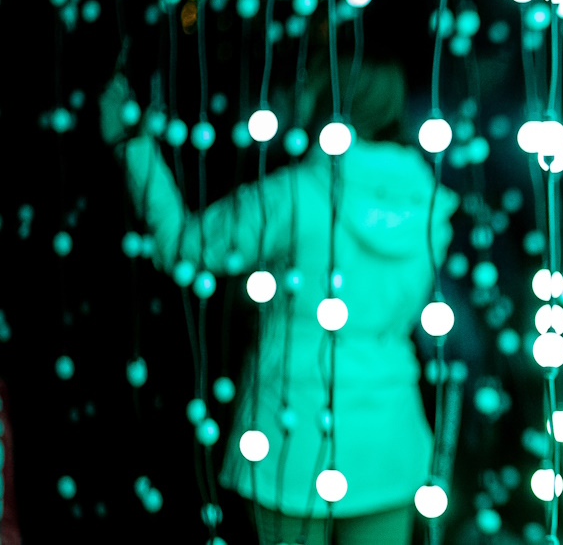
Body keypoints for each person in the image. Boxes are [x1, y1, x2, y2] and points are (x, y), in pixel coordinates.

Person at [100, 59, 453, 544]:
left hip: (291, 426)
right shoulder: (429, 202)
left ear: (326, 98)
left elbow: (187, 247)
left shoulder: (294, 194)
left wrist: (132, 146)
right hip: (389, 433)